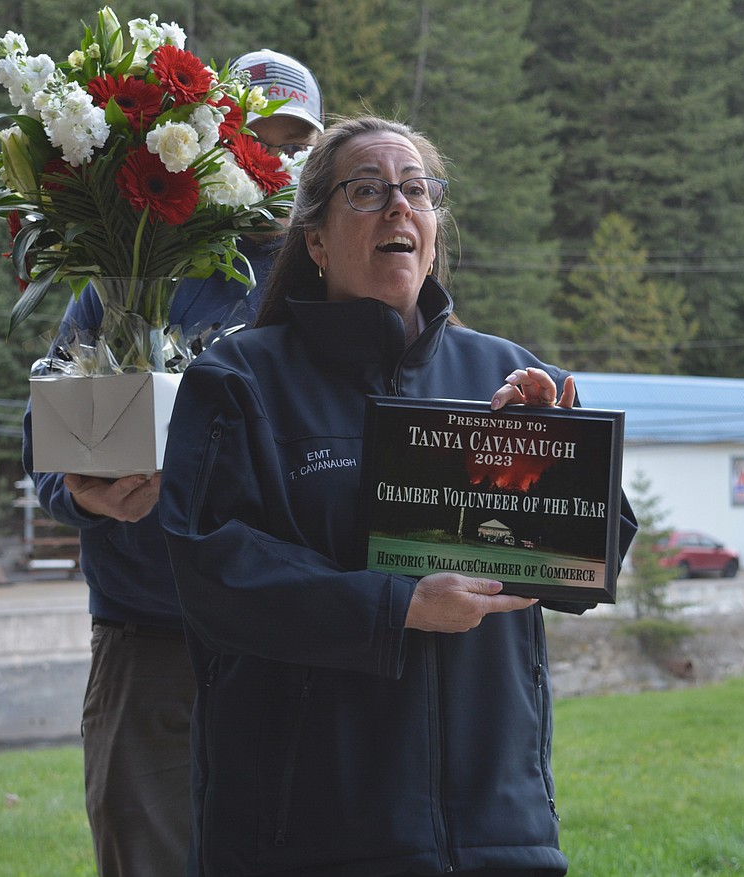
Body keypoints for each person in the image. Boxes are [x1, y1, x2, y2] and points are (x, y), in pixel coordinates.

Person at [158, 116, 638, 876]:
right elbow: (211, 571)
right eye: (367, 190)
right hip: (308, 839)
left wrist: (554, 457)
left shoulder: (507, 373)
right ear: (314, 241)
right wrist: (400, 606)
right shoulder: (241, 380)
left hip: (497, 831)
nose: (399, 206)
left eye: (416, 190)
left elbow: (587, 565)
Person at [21, 50, 323, 877]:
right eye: (258, 136)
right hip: (150, 639)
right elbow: (44, 444)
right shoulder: (125, 270)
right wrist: (89, 495)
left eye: (298, 143)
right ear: (215, 140)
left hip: (293, 639)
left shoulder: (337, 284)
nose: (278, 160)